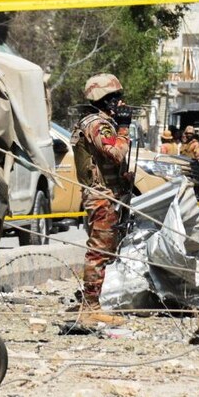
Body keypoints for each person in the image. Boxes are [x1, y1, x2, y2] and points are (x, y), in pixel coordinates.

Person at [70, 73, 132, 326]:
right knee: (98, 251)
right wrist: (125, 128)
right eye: (115, 98)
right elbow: (115, 153)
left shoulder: (100, 123)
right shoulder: (98, 125)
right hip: (101, 197)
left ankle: (92, 302)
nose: (119, 103)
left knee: (104, 250)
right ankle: (90, 307)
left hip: (106, 195)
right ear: (104, 100)